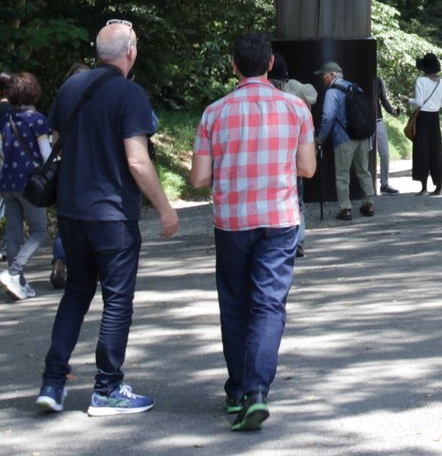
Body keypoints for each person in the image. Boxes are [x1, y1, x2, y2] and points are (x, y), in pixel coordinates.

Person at [36, 21, 180, 414]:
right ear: (130, 51)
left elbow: (56, 141)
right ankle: (107, 389)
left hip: (70, 210)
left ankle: (52, 382)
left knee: (77, 293)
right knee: (117, 301)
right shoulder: (129, 94)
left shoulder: (69, 88)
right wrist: (165, 208)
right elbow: (137, 158)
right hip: (112, 213)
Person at [189, 31, 317, 432]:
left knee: (235, 304)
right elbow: (308, 169)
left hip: (231, 221)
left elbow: (198, 178)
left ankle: (237, 392)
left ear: (233, 66)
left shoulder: (214, 112)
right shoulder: (296, 108)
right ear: (270, 66)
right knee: (268, 305)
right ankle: (256, 391)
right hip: (279, 220)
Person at [0, 71, 54, 301]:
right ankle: (13, 272)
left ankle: (17, 284)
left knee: (13, 234)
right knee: (39, 230)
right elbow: (46, 153)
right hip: (30, 184)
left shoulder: (5, 120)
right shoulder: (38, 120)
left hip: (7, 183)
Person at [315, 61, 375, 221]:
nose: (322, 79)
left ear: (332, 75)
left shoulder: (331, 93)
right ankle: (369, 203)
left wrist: (320, 138)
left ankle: (345, 208)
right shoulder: (356, 88)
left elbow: (328, 117)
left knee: (342, 174)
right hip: (362, 136)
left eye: (323, 76)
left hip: (343, 138)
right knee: (363, 170)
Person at [409, 53, 442, 195]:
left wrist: (408, 100)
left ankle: (424, 187)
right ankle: (439, 187)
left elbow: (419, 103)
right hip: (434, 117)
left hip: (423, 118)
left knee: (422, 150)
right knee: (436, 151)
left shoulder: (421, 81)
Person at [374, 74, 402, 195]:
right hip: (364, 121)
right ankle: (366, 186)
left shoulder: (379, 80)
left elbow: (384, 99)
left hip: (378, 120)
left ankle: (384, 184)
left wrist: (392, 111)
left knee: (385, 153)